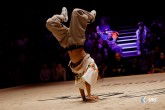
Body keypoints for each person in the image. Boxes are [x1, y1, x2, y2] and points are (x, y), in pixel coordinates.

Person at [46, 7, 99, 102]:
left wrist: (84, 97)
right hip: (77, 40)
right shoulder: (91, 63)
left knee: (49, 23)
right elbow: (86, 81)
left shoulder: (77, 70)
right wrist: (89, 95)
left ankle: (62, 17)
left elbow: (80, 83)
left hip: (65, 42)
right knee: (75, 12)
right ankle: (90, 17)